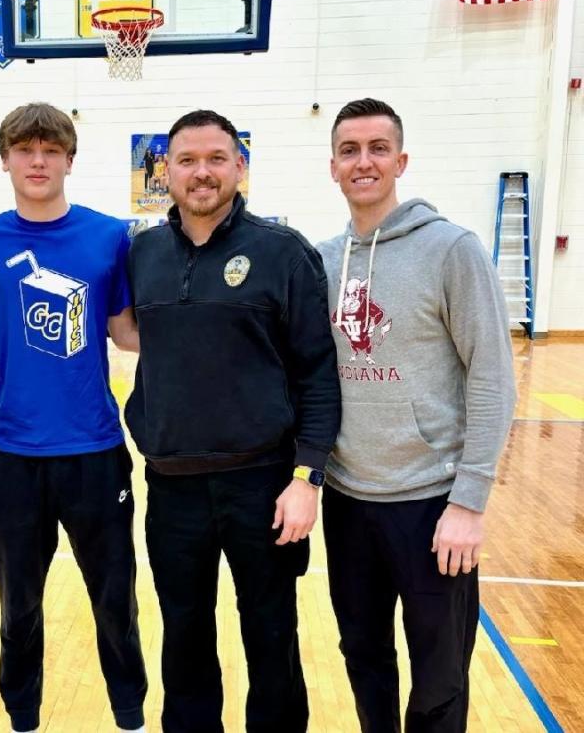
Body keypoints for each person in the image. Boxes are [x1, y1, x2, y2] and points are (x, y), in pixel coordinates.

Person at [125, 109, 341, 733]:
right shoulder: (143, 254)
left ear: (240, 166)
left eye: (217, 159)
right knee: (184, 638)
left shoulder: (283, 253)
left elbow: (318, 374)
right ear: (166, 170)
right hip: (171, 487)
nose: (202, 173)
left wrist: (308, 477)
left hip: (264, 485)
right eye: (187, 160)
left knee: (271, 636)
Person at [317, 98, 516, 732]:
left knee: (439, 675)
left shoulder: (453, 249)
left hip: (433, 503)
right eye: (350, 150)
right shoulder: (321, 260)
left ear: (401, 161)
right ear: (333, 167)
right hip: (348, 500)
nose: (364, 162)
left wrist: (470, 501)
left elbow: (493, 378)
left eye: (378, 149)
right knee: (363, 656)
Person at [0, 102, 147, 733]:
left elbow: (126, 335)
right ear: (6, 158)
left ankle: (129, 713)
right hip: (12, 458)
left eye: (50, 151)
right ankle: (23, 716)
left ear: (69, 159)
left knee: (115, 601)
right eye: (24, 150)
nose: (37, 162)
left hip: (95, 451)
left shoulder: (107, 236)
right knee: (18, 607)